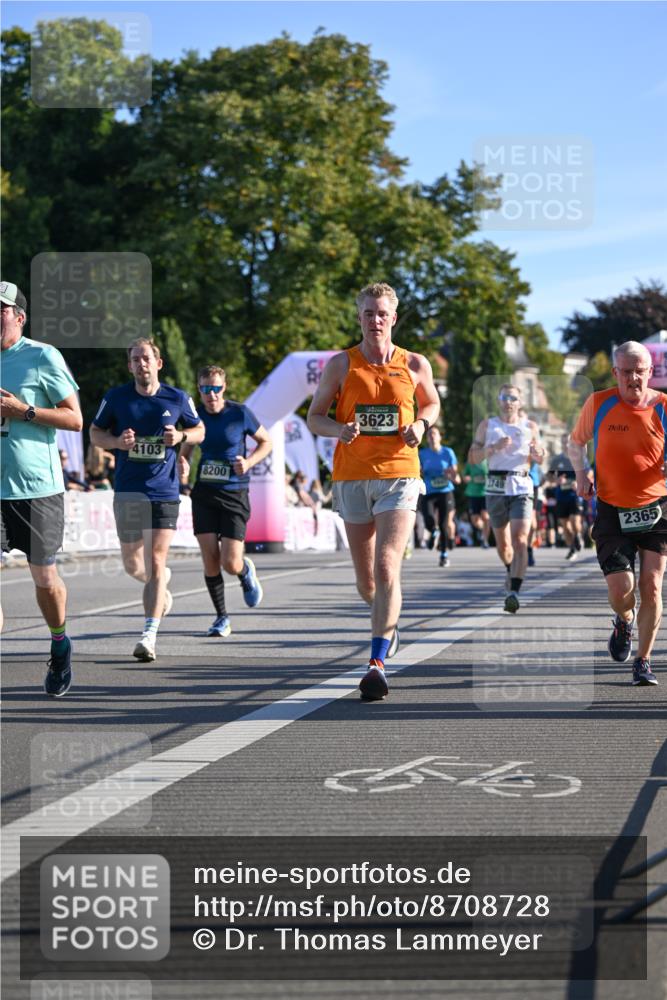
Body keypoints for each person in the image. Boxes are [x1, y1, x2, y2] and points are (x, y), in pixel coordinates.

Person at [307, 281, 440, 701]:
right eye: (368, 313)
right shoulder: (340, 365)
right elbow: (314, 417)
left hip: (400, 474)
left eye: (382, 313)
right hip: (351, 478)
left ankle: (377, 662)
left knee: (387, 567)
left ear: (394, 317)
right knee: (367, 583)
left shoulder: (415, 363)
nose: (375, 320)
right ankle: (388, 623)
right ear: (359, 317)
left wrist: (420, 424)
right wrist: (339, 429)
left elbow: (432, 403)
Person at [90, 337, 204, 661]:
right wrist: (116, 442)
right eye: (135, 359)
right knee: (132, 564)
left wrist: (181, 437)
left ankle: (149, 635)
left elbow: (199, 431)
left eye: (146, 358)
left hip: (164, 490)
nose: (141, 364)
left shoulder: (178, 398)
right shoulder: (115, 398)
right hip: (128, 489)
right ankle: (161, 585)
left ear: (158, 363)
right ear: (130, 366)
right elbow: (94, 434)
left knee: (156, 559)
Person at [0, 280, 82, 697]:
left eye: (1, 309)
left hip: (35, 487)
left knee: (45, 579)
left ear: (19, 316)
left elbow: (75, 420)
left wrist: (23, 410)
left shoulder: (42, 355)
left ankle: (59, 642)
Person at [569, 340, 667, 686]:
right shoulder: (599, 403)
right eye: (626, 372)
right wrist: (581, 473)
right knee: (621, 589)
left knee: (652, 586)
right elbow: (575, 442)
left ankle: (643, 660)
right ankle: (624, 620)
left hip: (656, 509)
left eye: (640, 371)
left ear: (650, 372)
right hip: (612, 508)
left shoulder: (664, 407)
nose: (634, 378)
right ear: (615, 373)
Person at [178, 365, 271, 637]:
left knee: (230, 562)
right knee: (210, 559)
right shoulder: (195, 417)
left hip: (234, 493)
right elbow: (186, 447)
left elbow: (267, 442)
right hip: (204, 493)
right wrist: (183, 465)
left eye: (216, 388)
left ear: (224, 388)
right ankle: (222, 617)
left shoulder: (239, 413)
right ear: (199, 390)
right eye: (205, 389)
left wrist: (250, 461)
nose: (211, 394)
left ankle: (243, 571)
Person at [469, 383, 544, 614]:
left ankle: (514, 591)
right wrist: (491, 448)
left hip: (521, 484)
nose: (509, 401)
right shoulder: (487, 425)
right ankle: (511, 568)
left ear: (520, 402)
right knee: (503, 544)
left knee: (521, 538)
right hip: (495, 487)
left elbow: (540, 457)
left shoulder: (530, 426)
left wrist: (538, 454)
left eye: (513, 397)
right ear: (499, 401)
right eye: (504, 397)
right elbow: (472, 457)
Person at [419, 425, 460, 567]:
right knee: (428, 517)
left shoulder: (448, 452)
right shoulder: (422, 453)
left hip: (445, 491)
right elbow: (419, 472)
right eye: (429, 434)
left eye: (435, 433)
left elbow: (455, 474)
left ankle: (444, 555)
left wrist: (451, 474)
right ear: (427, 438)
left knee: (444, 524)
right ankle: (432, 531)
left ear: (440, 437)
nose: (432, 436)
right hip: (429, 491)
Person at [550, 433, 585, 561]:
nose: (566, 444)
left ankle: (578, 535)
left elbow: (589, 473)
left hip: (575, 495)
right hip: (561, 496)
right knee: (565, 526)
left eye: (568, 442)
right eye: (563, 442)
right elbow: (549, 476)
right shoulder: (556, 460)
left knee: (575, 522)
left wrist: (579, 481)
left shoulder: (579, 457)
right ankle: (571, 547)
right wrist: (556, 480)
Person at [462, 457, 491, 548]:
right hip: (473, 493)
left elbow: (494, 474)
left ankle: (485, 540)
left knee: (486, 517)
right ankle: (482, 530)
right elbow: (465, 475)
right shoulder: (471, 461)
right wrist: (467, 478)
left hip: (486, 492)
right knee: (475, 520)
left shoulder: (488, 461)